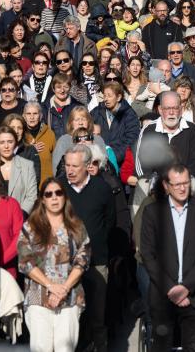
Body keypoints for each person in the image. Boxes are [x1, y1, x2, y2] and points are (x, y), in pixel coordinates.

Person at [140, 164, 195, 352]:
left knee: (193, 347)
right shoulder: (152, 213)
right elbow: (148, 254)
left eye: (186, 183)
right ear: (166, 186)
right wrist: (172, 289)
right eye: (177, 184)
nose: (182, 188)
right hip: (163, 295)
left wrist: (186, 288)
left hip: (194, 295)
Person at [18, 177, 91, 352]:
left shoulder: (77, 226)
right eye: (48, 194)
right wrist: (50, 286)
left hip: (70, 295)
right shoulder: (30, 227)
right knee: (41, 347)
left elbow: (83, 260)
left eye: (58, 193)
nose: (54, 198)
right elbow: (25, 262)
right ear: (42, 199)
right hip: (38, 296)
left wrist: (63, 289)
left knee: (64, 348)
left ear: (64, 197)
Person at [61, 144, 116, 352]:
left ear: (87, 166)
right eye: (67, 165)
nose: (70, 170)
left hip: (96, 261)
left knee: (97, 315)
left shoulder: (102, 188)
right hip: (66, 264)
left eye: (75, 166)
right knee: (73, 316)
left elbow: (110, 221)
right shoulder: (59, 189)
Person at [0, 125, 38, 214]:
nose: (6, 146)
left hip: (20, 218)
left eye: (10, 142)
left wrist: (19, 215)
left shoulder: (27, 166)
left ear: (16, 143)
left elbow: (31, 197)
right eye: (2, 142)